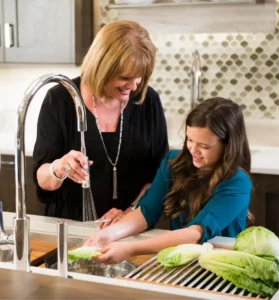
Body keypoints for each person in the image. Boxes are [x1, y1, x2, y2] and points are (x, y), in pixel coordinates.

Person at [85, 97, 252, 264]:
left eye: (204, 146)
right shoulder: (174, 163)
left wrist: (130, 248)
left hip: (221, 265)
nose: (193, 150)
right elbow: (146, 212)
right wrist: (108, 234)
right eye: (190, 140)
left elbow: (194, 234)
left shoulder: (237, 182)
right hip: (181, 260)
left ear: (228, 145)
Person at [33, 20, 169, 222]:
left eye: (139, 78)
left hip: (129, 231)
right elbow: (43, 180)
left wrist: (131, 212)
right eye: (125, 77)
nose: (132, 87)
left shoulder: (147, 101)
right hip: (69, 226)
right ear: (101, 67)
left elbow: (158, 177)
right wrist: (59, 168)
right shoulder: (61, 98)